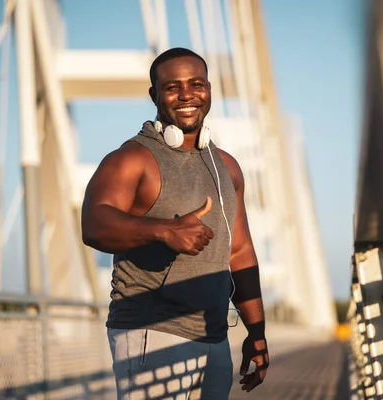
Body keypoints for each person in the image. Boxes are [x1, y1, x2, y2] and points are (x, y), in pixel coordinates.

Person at [81, 47, 269, 399]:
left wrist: (256, 332)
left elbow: (240, 252)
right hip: (153, 333)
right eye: (173, 87)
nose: (187, 95)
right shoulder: (133, 158)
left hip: (214, 336)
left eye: (196, 84)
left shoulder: (225, 166)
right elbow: (94, 222)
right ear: (154, 95)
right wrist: (165, 230)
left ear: (209, 89)